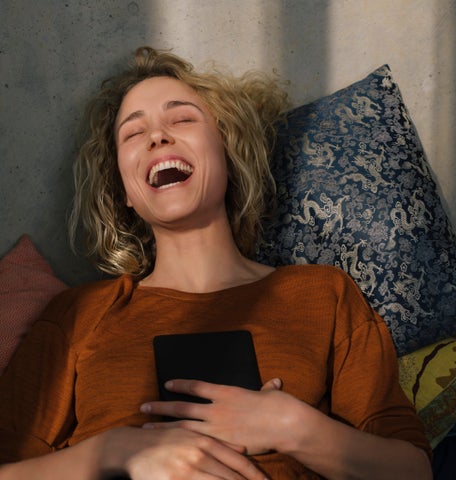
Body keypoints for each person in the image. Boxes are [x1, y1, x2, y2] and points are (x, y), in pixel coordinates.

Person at [0, 46, 432, 480]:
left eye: (182, 119)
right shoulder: (79, 315)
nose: (157, 137)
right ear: (124, 192)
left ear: (228, 153)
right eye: (133, 134)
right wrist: (111, 452)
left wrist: (295, 428)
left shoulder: (324, 295)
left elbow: (413, 471)